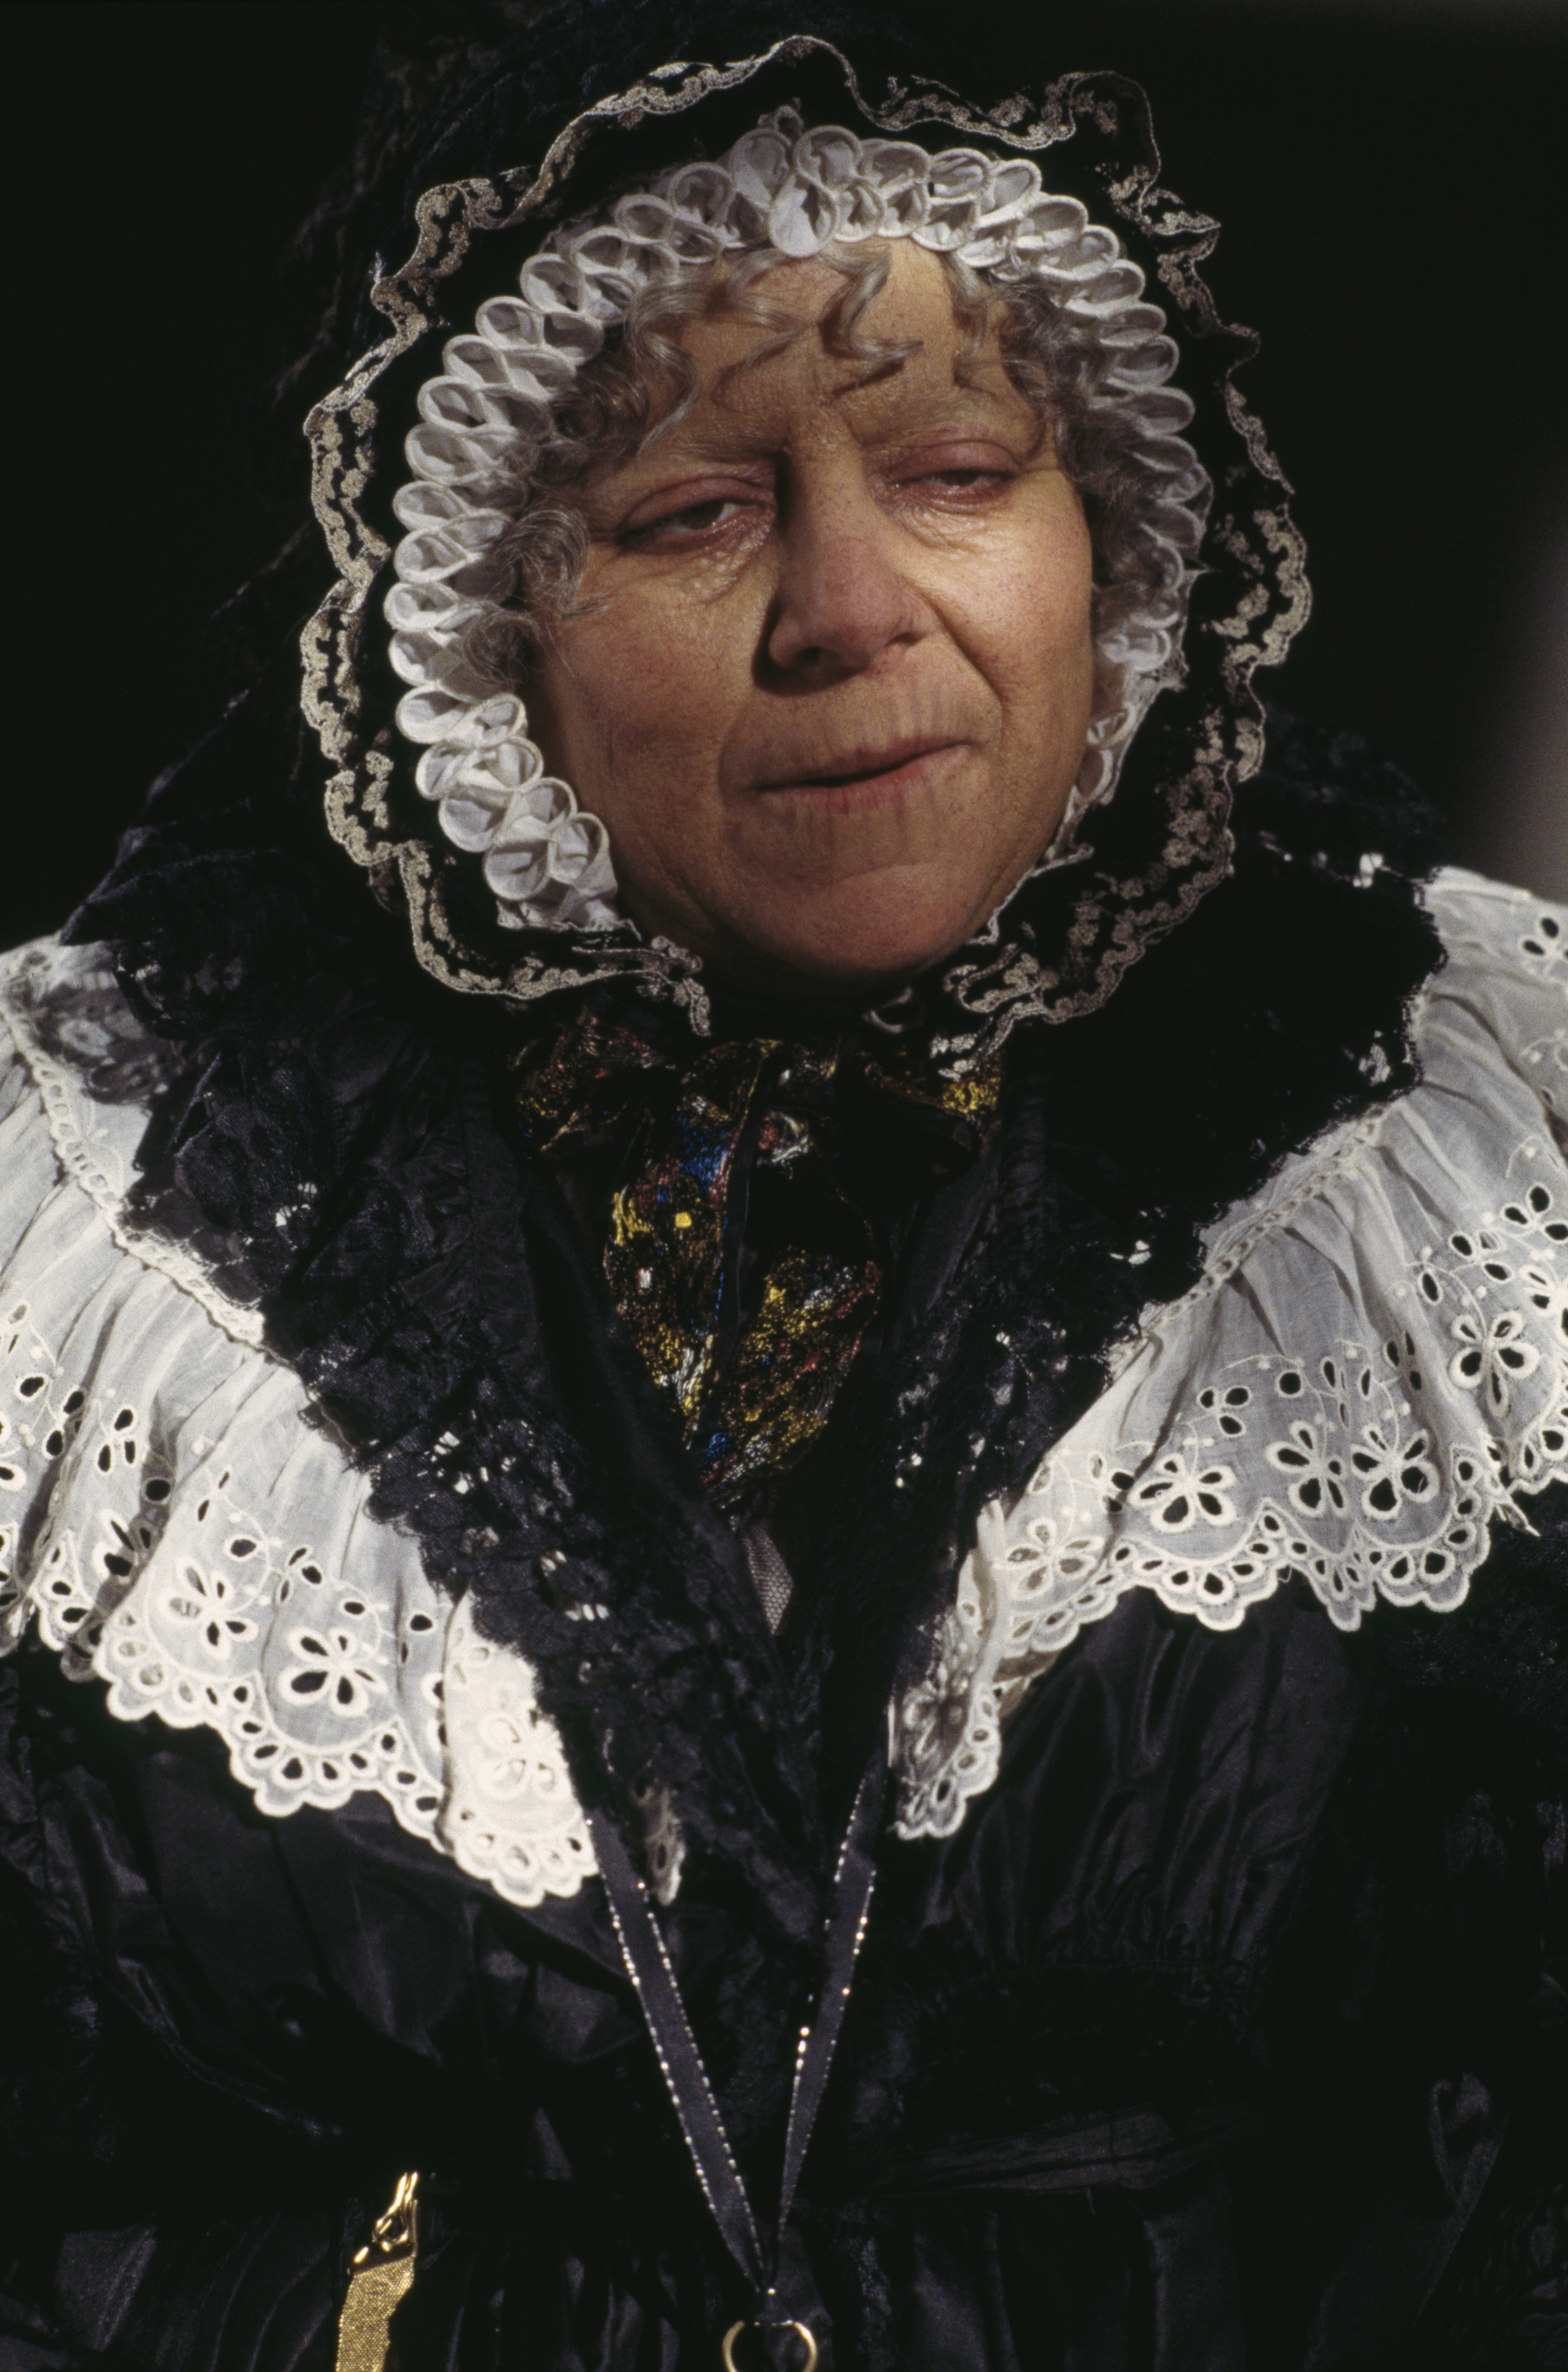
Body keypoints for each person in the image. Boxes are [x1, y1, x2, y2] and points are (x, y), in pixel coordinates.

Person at [0, 6, 1564, 2367]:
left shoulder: (1451, 1137)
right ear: (480, 631)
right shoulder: (106, 1204)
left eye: (949, 465)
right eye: (692, 512)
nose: (846, 604)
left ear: (1103, 548)